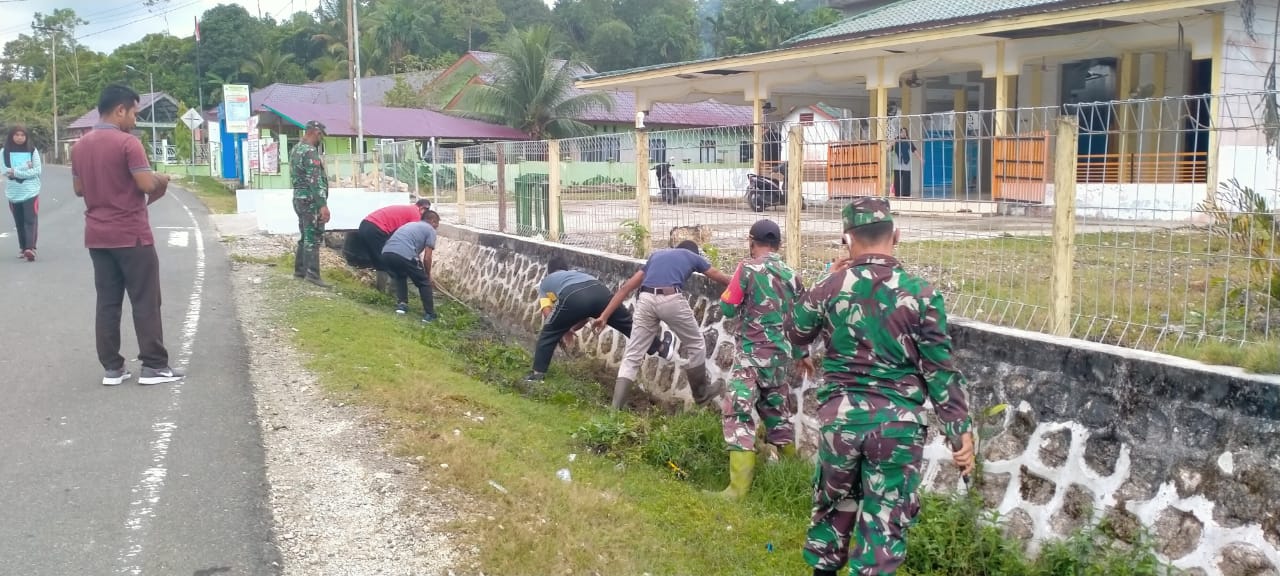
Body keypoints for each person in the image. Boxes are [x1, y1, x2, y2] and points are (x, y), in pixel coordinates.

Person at [787, 197, 974, 576]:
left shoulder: (830, 286)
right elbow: (940, 370)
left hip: (841, 421)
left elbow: (796, 331)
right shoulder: (921, 294)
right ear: (896, 236)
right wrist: (959, 433)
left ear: (846, 240)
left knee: (833, 511)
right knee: (884, 526)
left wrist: (828, 276)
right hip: (898, 426)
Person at [70, 84, 185, 386]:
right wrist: (162, 177)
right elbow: (146, 184)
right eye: (134, 112)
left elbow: (79, 189)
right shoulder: (128, 143)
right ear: (120, 110)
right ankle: (154, 365)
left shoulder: (79, 146)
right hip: (132, 235)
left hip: (97, 235)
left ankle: (113, 368)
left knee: (107, 302)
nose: (135, 119)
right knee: (146, 300)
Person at [713, 219, 812, 500]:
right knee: (777, 415)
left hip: (752, 360)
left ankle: (737, 490)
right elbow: (800, 321)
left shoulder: (747, 268)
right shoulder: (792, 275)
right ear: (778, 245)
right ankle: (794, 476)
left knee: (738, 413)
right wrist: (800, 354)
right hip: (780, 361)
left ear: (751, 241)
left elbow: (727, 308)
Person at [593, 240, 732, 410]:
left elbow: (626, 287)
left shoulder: (656, 256)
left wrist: (604, 316)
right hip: (670, 297)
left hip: (645, 299)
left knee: (633, 355)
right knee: (696, 344)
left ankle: (614, 410)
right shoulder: (692, 256)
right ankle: (701, 395)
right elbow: (718, 275)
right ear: (694, 253)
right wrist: (740, 284)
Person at [523, 256, 672, 384]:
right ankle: (661, 348)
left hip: (572, 295)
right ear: (565, 269)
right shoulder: (577, 274)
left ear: (550, 271)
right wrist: (571, 328)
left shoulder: (547, 282)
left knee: (548, 332)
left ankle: (537, 375)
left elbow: (547, 311)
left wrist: (559, 328)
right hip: (600, 291)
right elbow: (585, 314)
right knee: (628, 325)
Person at [380, 210, 441, 323]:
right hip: (404, 254)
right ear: (433, 221)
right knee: (423, 283)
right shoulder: (430, 230)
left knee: (400, 275)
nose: (437, 227)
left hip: (386, 253)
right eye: (437, 224)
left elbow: (413, 255)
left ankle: (402, 305)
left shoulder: (410, 225)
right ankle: (429, 314)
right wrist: (427, 275)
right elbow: (427, 257)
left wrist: (420, 268)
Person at [292, 120, 331, 287]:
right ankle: (312, 275)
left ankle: (300, 270)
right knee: (313, 236)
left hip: (298, 198)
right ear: (315, 132)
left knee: (305, 235)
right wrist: (322, 205)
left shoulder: (296, 149)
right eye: (320, 135)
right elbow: (314, 180)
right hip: (310, 200)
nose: (320, 138)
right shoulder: (309, 152)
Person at [344, 198, 432, 269]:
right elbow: (413, 239)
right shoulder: (416, 214)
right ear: (422, 209)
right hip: (376, 228)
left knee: (377, 259)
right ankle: (391, 287)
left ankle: (382, 286)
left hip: (365, 225)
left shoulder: (408, 210)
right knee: (385, 259)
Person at [2, 126, 42, 261]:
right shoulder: (4, 152)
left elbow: (37, 170)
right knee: (19, 221)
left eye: (22, 135)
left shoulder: (32, 151)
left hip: (31, 191)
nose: (20, 137)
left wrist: (16, 171)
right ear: (11, 136)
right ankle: (23, 247)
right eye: (16, 135)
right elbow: (4, 170)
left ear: (26, 137)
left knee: (30, 220)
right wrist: (25, 167)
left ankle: (30, 248)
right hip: (14, 192)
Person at [891, 127, 919, 198]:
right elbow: (889, 148)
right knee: (897, 180)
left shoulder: (908, 141)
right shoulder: (896, 140)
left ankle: (906, 195)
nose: (903, 133)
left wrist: (920, 158)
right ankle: (897, 195)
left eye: (904, 132)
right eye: (902, 132)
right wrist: (892, 143)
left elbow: (914, 150)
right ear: (899, 133)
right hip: (897, 164)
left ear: (906, 133)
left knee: (906, 180)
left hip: (906, 164)